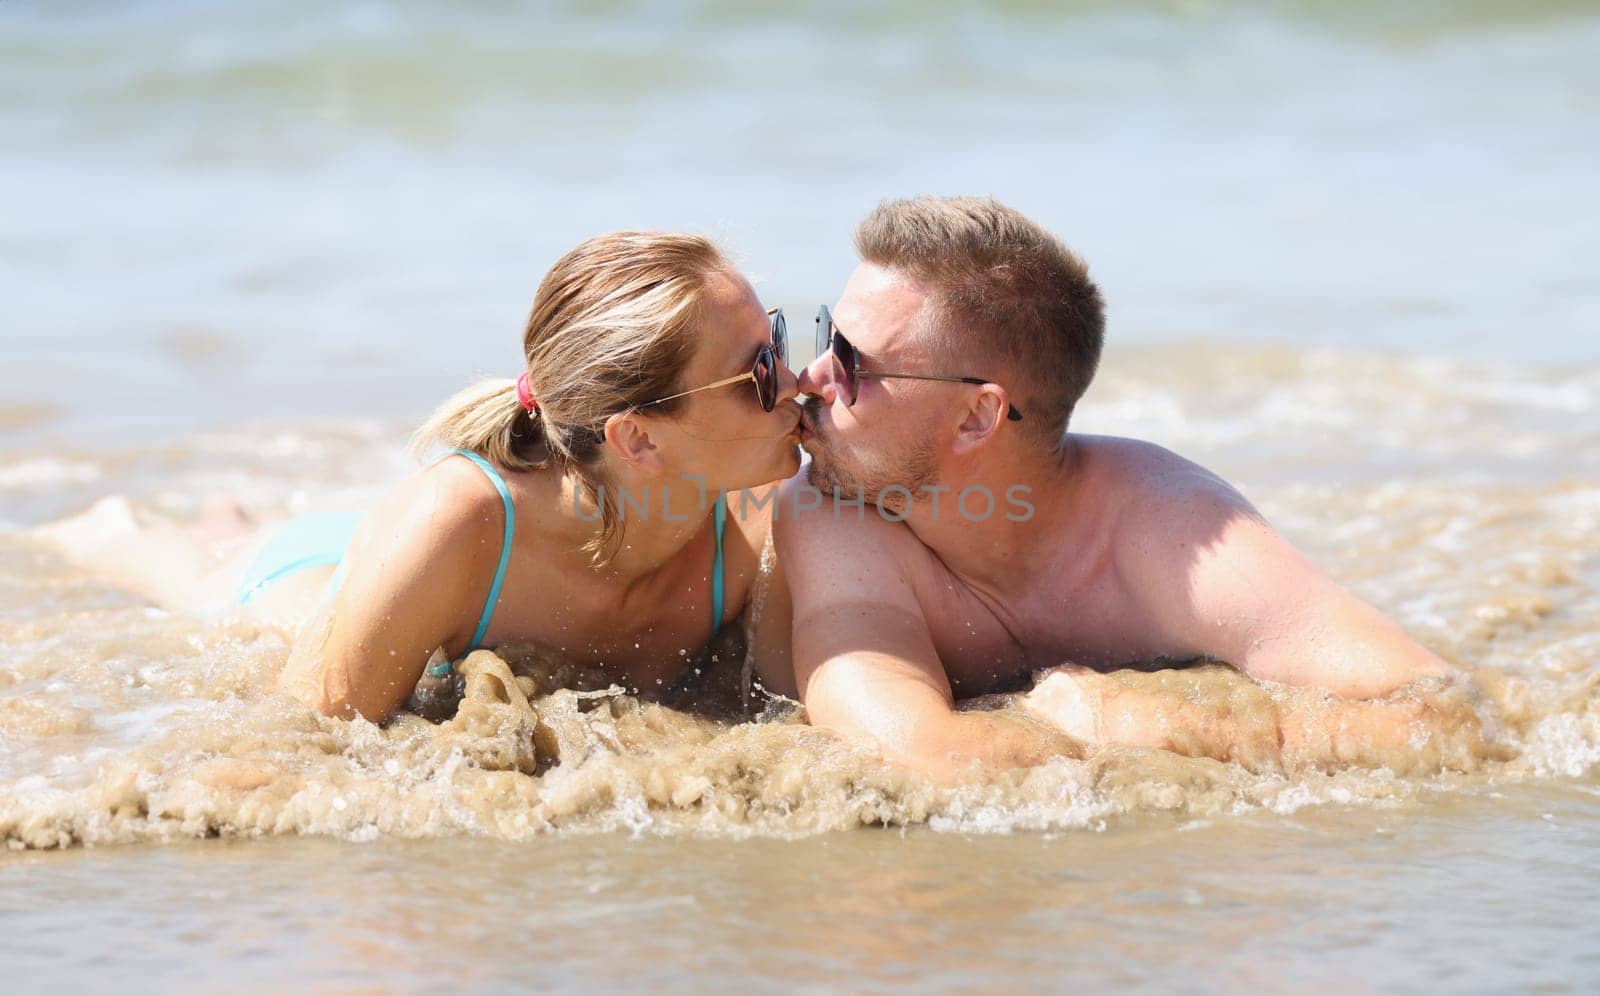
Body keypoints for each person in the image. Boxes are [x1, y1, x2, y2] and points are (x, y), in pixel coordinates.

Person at [773, 196, 1457, 778]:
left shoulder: (1171, 532)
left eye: (852, 362)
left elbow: (1442, 715)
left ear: (976, 416)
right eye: (826, 338)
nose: (809, 377)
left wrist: (1147, 721)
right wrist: (1075, 735)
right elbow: (902, 750)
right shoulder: (834, 510)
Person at [41, 231, 804, 723]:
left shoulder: (767, 521)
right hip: (310, 582)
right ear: (636, 438)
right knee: (193, 570)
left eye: (775, 338)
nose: (797, 380)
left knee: (229, 525)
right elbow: (305, 737)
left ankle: (226, 512)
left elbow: (780, 723)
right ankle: (125, 522)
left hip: (397, 561)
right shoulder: (458, 523)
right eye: (758, 372)